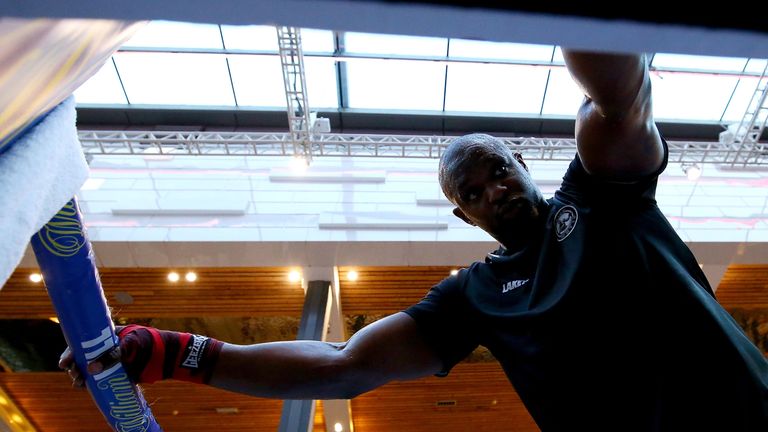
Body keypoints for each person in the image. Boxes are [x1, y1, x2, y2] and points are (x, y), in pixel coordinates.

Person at [61, 49, 768, 430]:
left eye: (499, 169)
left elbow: (620, 98)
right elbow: (340, 365)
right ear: (464, 218)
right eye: (472, 191)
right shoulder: (477, 296)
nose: (494, 189)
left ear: (524, 163)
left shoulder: (601, 197)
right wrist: (179, 353)